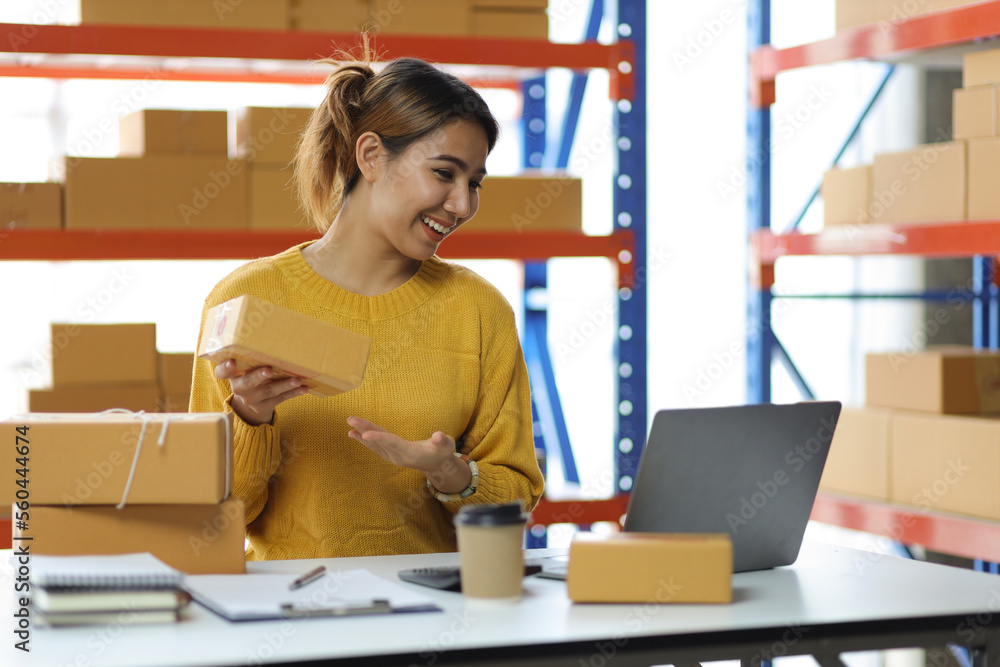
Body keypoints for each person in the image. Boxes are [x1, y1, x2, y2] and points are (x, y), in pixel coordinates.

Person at [189, 52, 545, 561]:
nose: (462, 205)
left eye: (475, 183)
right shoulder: (247, 301)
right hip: (285, 619)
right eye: (444, 173)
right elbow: (214, 517)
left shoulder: (478, 310)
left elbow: (515, 502)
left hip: (437, 613)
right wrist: (249, 417)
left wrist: (451, 473)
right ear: (372, 155)